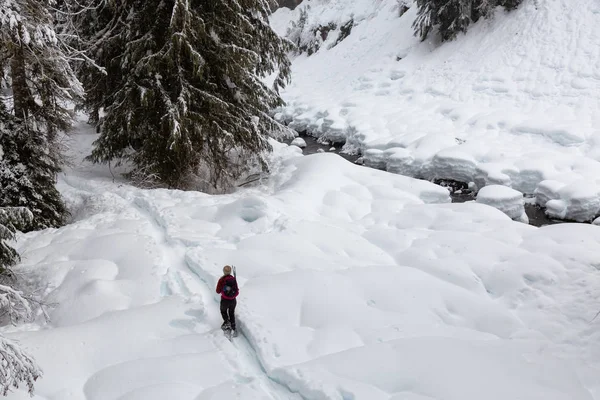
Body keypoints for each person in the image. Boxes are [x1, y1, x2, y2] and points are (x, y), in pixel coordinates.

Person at [216, 265, 239, 336]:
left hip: (225, 300)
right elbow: (237, 290)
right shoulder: (233, 279)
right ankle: (233, 328)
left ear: (224, 271)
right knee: (231, 313)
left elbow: (217, 291)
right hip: (233, 300)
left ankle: (227, 323)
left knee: (223, 311)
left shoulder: (221, 280)